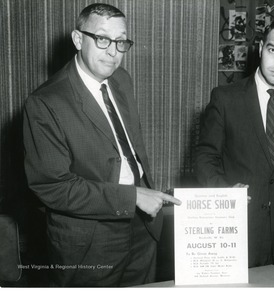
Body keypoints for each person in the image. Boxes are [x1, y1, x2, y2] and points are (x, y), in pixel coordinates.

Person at [23, 3, 181, 287]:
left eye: (121, 42)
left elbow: (127, 152)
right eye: (102, 39)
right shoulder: (45, 103)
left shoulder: (121, 79)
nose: (113, 51)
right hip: (89, 243)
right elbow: (52, 187)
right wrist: (132, 197)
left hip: (143, 228)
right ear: (78, 39)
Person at [195, 16, 274, 268]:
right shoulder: (225, 98)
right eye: (273, 50)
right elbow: (204, 158)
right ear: (260, 48)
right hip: (238, 227)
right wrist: (225, 192)